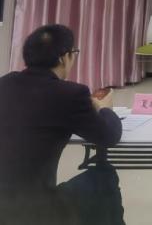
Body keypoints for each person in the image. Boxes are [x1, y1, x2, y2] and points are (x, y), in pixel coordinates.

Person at [0, 24, 124, 225]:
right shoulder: (71, 94)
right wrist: (104, 109)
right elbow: (109, 136)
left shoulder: (5, 83)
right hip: (35, 212)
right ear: (63, 58)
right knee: (104, 177)